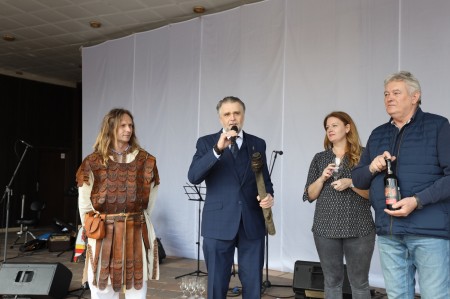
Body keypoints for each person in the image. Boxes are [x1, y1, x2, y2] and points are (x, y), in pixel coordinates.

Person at [352, 71, 450, 299]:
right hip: (390, 233)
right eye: (386, 94)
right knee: (396, 296)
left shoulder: (439, 126)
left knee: (435, 295)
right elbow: (358, 179)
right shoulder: (378, 134)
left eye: (396, 93)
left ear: (415, 97)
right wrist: (371, 167)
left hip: (429, 233)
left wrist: (417, 201)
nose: (389, 98)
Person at [187, 96, 275, 299]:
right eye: (227, 114)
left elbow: (265, 180)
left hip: (251, 222)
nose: (232, 118)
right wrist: (217, 149)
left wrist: (269, 196)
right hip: (218, 223)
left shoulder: (257, 143)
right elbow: (193, 177)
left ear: (243, 116)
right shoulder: (206, 143)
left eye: (236, 113)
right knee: (217, 284)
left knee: (253, 283)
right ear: (220, 119)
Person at [76, 108, 160, 299]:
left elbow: (150, 200)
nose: (128, 129)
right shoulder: (92, 162)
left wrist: (135, 218)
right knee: (102, 286)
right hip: (102, 231)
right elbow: (84, 203)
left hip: (135, 229)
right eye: (122, 125)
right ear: (110, 127)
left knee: (136, 287)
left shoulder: (146, 161)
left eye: (130, 125)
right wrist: (92, 228)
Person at [302, 111, 375, 299]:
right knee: (332, 283)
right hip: (325, 228)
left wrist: (351, 183)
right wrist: (322, 178)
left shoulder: (365, 156)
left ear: (347, 127)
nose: (330, 130)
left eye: (334, 125)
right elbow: (309, 195)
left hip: (359, 228)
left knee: (359, 283)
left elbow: (373, 194)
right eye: (327, 127)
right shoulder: (320, 158)